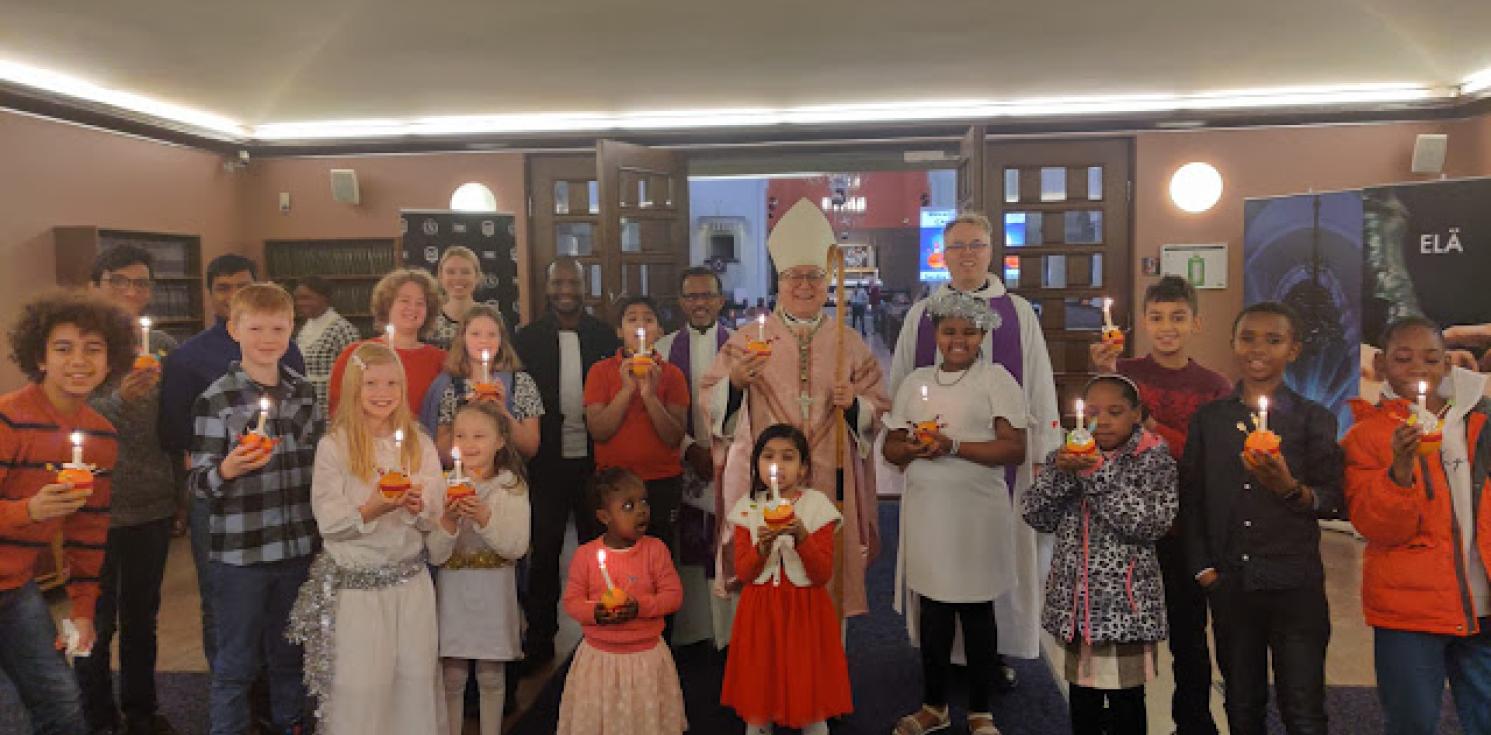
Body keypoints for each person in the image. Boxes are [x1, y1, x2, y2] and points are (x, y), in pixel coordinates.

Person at [888, 211, 1062, 677]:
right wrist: (905, 441)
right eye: (958, 245)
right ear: (943, 254)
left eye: (977, 245)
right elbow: (902, 378)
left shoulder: (1018, 311)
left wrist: (1044, 450)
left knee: (996, 555)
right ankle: (941, 654)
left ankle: (996, 650)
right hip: (933, 473)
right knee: (940, 557)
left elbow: (1039, 384)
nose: (967, 254)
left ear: (991, 251)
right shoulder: (924, 313)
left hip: (996, 467)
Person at [701, 198, 890, 620]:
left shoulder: (849, 342)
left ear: (828, 282)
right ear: (779, 281)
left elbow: (878, 403)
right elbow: (710, 398)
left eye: (814, 277)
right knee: (769, 587)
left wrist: (855, 405)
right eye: (793, 277)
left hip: (829, 477)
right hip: (768, 475)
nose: (804, 286)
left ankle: (824, 669)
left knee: (826, 586)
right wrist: (734, 384)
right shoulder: (748, 339)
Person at [1182, 302, 1344, 735]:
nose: (1259, 349)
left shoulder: (1313, 419)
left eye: (1274, 340)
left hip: (1295, 585)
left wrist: (1290, 488)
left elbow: (1333, 500)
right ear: (1233, 344)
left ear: (1293, 350)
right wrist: (1203, 569)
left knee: (1304, 707)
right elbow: (1193, 498)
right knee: (1241, 704)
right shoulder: (1211, 419)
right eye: (1248, 338)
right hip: (1232, 583)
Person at [1090, 274, 1230, 735]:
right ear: (1143, 322)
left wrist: (1150, 423)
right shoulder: (1126, 374)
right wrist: (1104, 377)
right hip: (1131, 531)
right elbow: (1104, 434)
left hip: (1185, 531)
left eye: (1177, 317)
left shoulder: (1213, 386)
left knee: (1189, 639)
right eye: (1156, 318)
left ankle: (1193, 722)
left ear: (1196, 322)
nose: (1166, 327)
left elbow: (1203, 459)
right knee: (1128, 635)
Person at [885, 293, 1028, 735]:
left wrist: (953, 446)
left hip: (976, 513)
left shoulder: (996, 379)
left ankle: (981, 710)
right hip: (929, 512)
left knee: (977, 609)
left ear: (983, 334)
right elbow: (891, 448)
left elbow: (1014, 447)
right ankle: (934, 705)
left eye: (968, 332)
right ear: (936, 334)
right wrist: (909, 448)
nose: (958, 340)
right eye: (949, 331)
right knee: (933, 610)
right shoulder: (915, 382)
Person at [1342, 316, 1491, 735]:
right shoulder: (1367, 435)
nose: (1419, 369)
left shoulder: (1481, 421)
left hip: (1483, 609)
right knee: (1412, 723)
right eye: (1403, 358)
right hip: (1410, 613)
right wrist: (1401, 472)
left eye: (1431, 358)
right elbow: (1378, 527)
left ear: (1447, 364)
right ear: (1383, 367)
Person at [159, 254, 305, 669]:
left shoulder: (287, 350)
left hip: (278, 498)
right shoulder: (189, 358)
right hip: (221, 497)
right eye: (222, 287)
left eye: (240, 285)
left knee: (277, 604)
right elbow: (175, 435)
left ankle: (272, 697)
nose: (232, 294)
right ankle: (230, 683)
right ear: (211, 296)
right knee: (223, 602)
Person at [186, 283, 320, 735]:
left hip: (296, 548)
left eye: (278, 328)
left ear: (291, 332)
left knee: (288, 658)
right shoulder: (216, 398)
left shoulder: (305, 393)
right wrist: (227, 467)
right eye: (256, 327)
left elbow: (321, 464)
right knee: (236, 663)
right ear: (234, 330)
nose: (268, 338)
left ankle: (289, 725)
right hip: (241, 557)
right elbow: (198, 483)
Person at [290, 342, 444, 735]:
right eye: (372, 383)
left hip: (410, 586)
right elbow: (330, 521)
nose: (383, 392)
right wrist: (373, 508)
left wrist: (414, 506)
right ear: (353, 388)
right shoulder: (334, 446)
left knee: (413, 679)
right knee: (362, 686)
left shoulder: (419, 444)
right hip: (358, 589)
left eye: (392, 383)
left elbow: (433, 514)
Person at [1, 290, 132, 733]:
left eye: (93, 349)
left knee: (60, 702)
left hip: (15, 589)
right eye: (63, 348)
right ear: (39, 358)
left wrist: (81, 610)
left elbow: (88, 532)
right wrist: (28, 510)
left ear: (111, 361)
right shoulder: (8, 420)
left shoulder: (102, 437)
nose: (79, 360)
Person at [1024, 375, 1177, 735]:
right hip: (1075, 605)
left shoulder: (1153, 457)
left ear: (1136, 414)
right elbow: (1035, 514)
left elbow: (1149, 523)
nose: (1103, 420)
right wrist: (1060, 474)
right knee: (1082, 700)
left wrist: (1093, 472)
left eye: (1115, 411)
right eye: (1093, 412)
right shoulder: (1066, 456)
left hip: (1126, 607)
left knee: (1127, 702)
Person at [73, 245, 184, 735]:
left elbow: (174, 424)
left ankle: (141, 709)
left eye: (141, 283)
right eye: (121, 281)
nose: (133, 291)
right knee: (92, 619)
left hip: (152, 502)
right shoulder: (74, 344)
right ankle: (94, 714)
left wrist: (181, 492)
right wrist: (118, 400)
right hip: (91, 504)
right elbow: (66, 419)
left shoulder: (159, 344)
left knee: (142, 617)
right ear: (96, 283)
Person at [513, 257, 620, 663]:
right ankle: (541, 639)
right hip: (546, 460)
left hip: (596, 459)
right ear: (547, 287)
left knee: (599, 548)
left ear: (583, 286)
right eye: (557, 282)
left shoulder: (603, 335)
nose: (564, 290)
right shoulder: (528, 338)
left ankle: (601, 632)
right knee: (545, 552)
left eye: (571, 282)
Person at [721, 424, 851, 735]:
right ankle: (760, 725)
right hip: (760, 612)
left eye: (788, 457)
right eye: (767, 457)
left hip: (804, 611)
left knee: (807, 685)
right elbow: (745, 572)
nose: (776, 466)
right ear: (756, 466)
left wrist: (802, 537)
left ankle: (812, 724)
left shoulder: (817, 506)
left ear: (804, 467)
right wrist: (762, 547)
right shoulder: (748, 509)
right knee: (760, 684)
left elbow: (821, 574)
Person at [427, 402, 531, 735]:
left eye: (479, 436)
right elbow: (435, 554)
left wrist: (484, 516)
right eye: (460, 436)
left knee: (490, 672)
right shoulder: (442, 487)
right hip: (454, 591)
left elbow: (515, 546)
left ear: (500, 440)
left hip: (493, 592)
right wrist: (448, 520)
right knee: (453, 674)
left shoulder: (510, 487)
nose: (469, 444)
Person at [557, 468, 685, 735]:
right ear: (604, 517)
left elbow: (673, 596)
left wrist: (641, 607)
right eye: (628, 506)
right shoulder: (586, 556)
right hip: (600, 660)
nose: (641, 510)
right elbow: (572, 602)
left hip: (645, 660)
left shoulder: (655, 550)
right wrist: (597, 612)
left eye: (644, 502)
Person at [653, 266, 734, 647]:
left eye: (707, 296)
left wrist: (721, 450)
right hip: (683, 460)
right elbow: (659, 413)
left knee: (725, 543)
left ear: (720, 299)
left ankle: (727, 631)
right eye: (692, 296)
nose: (700, 304)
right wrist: (690, 449)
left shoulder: (740, 346)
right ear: (681, 302)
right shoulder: (663, 350)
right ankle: (692, 630)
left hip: (731, 460)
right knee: (688, 542)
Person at [584, 296, 689, 559]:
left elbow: (673, 437)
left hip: (660, 481)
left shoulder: (672, 375)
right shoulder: (600, 371)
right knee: (615, 559)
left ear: (659, 331)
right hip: (614, 483)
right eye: (632, 319)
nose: (640, 326)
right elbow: (599, 430)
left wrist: (650, 396)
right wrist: (627, 390)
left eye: (648, 320)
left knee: (659, 559)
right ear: (620, 331)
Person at [422, 304, 542, 459]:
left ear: (501, 340)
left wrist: (502, 412)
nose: (484, 340)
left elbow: (530, 449)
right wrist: (469, 411)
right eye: (475, 334)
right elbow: (442, 454)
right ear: (463, 338)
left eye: (492, 334)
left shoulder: (521, 383)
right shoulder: (447, 387)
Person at [328, 268, 448, 415]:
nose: (412, 308)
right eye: (404, 300)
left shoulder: (441, 360)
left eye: (420, 303)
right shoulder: (356, 354)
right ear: (387, 305)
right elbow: (338, 409)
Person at [293, 276, 360, 417]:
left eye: (306, 298)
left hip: (332, 410)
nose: (300, 303)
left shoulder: (343, 329)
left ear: (324, 298)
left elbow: (355, 374)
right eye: (298, 298)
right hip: (307, 407)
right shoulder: (304, 329)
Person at [429, 246, 484, 351]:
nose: (458, 278)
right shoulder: (429, 319)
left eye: (465, 272)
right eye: (450, 272)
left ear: (476, 276)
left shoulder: (492, 318)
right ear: (440, 277)